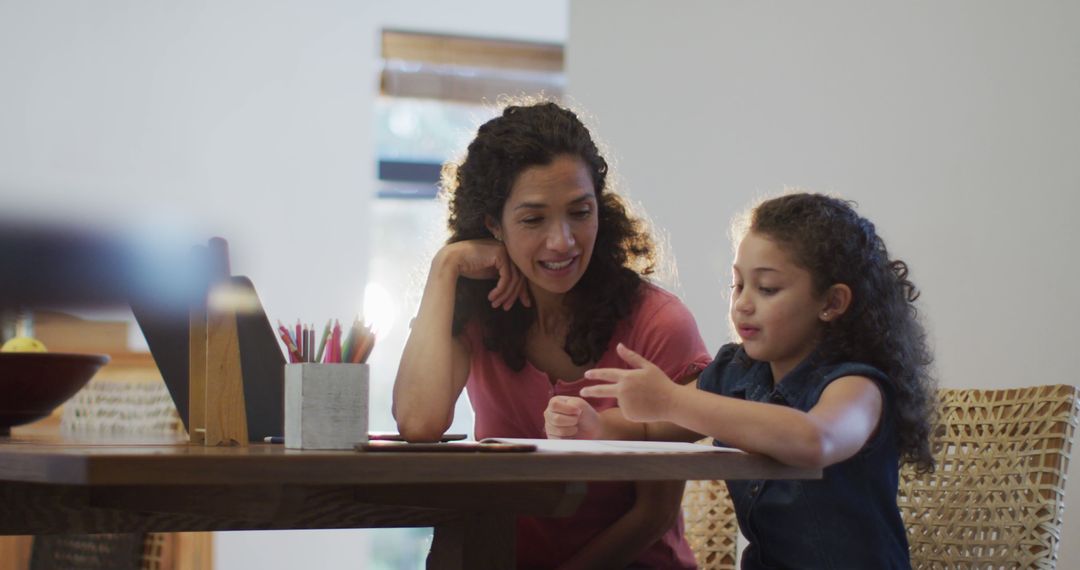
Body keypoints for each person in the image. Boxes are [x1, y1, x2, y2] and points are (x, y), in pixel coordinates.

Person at [392, 101, 709, 569]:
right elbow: (419, 423)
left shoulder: (658, 323)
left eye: (580, 212)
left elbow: (653, 513)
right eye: (533, 219)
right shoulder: (476, 314)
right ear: (492, 224)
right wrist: (446, 267)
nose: (563, 241)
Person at [545, 192, 937, 569]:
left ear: (831, 303)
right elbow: (650, 427)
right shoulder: (735, 372)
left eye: (767, 288)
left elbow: (814, 440)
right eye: (738, 284)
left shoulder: (858, 387)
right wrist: (593, 424)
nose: (743, 303)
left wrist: (673, 400)